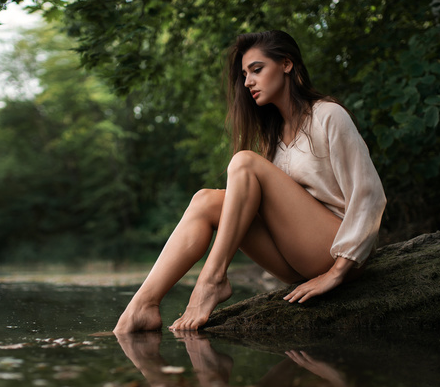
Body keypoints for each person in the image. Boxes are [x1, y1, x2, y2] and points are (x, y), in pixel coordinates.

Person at [113, 30, 386, 333]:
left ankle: (212, 279)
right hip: (297, 261)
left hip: (338, 252)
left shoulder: (328, 115)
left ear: (286, 64)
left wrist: (337, 272)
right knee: (205, 200)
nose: (247, 82)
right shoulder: (275, 139)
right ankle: (142, 305)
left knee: (244, 161)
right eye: (244, 75)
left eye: (257, 70)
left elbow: (369, 195)